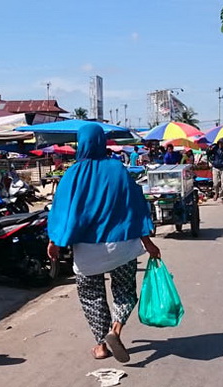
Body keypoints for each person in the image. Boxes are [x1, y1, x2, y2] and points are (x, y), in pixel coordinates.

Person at [46, 123, 161, 363]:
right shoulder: (117, 169)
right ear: (102, 142)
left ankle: (100, 346)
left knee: (92, 297)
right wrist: (148, 243)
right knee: (125, 293)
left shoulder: (71, 175)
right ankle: (115, 330)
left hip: (87, 251)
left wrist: (54, 242)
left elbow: (61, 212)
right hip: (122, 246)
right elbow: (135, 207)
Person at [207, 138, 223, 203]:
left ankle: (222, 197)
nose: (221, 145)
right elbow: (208, 153)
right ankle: (216, 193)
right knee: (215, 183)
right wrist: (209, 149)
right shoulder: (214, 149)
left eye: (222, 143)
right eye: (219, 143)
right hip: (215, 167)